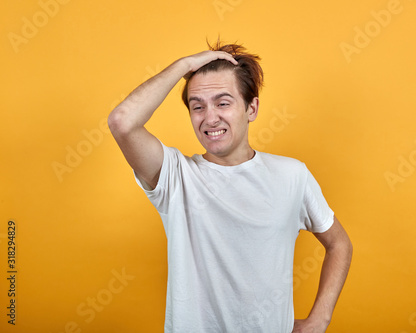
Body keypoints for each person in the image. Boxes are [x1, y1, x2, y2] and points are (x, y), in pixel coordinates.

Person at [108, 40, 353, 333]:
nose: (210, 118)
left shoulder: (292, 176)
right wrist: (185, 65)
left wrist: (319, 319)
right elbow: (122, 122)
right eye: (198, 107)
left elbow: (339, 244)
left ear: (252, 108)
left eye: (223, 103)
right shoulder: (175, 176)